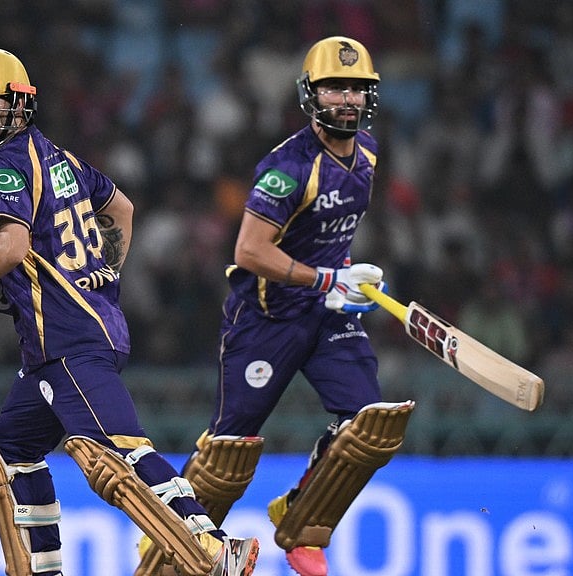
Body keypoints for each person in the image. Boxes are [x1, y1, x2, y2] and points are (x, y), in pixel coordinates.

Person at [0, 47, 259, 576]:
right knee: (10, 448)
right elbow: (121, 209)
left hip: (66, 339)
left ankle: (215, 547)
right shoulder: (56, 157)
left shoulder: (3, 165)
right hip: (65, 338)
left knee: (118, 453)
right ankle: (45, 568)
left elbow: (11, 248)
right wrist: (104, 273)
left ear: (18, 103)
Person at [139, 37, 415, 576]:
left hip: (328, 311)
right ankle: (172, 542)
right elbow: (248, 250)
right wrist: (325, 278)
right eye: (335, 87)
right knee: (229, 449)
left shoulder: (370, 154)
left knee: (370, 423)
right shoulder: (288, 168)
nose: (348, 99)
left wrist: (348, 278)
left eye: (358, 88)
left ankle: (301, 523)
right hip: (267, 317)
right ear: (310, 94)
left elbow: (324, 236)